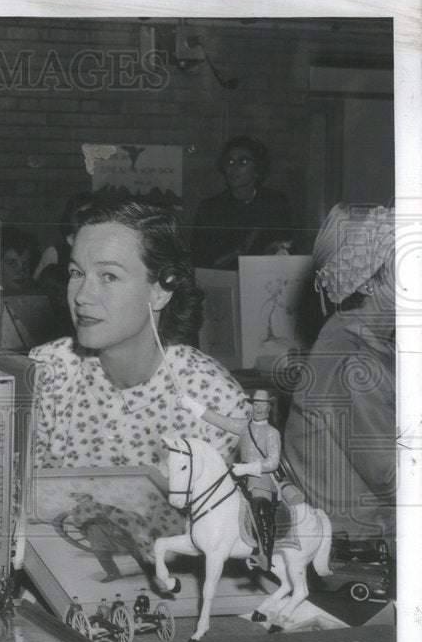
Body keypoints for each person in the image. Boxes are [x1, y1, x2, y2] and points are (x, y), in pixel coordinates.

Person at [30, 197, 248, 576]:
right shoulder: (47, 373)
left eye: (109, 276)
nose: (82, 296)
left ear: (161, 290)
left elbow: (223, 545)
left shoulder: (218, 403)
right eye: (76, 273)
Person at [283, 203, 396, 546]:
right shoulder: (353, 362)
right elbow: (393, 478)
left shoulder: (350, 339)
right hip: (362, 549)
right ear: (365, 284)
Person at [179, 389, 281, 570]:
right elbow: (219, 420)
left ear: (269, 408)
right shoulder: (245, 426)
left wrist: (248, 468)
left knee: (260, 507)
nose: (257, 408)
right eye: (255, 404)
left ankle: (264, 556)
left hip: (261, 482)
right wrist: (191, 404)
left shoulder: (272, 432)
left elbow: (273, 462)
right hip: (240, 478)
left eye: (262, 404)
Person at [190, 135, 295, 270]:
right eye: (230, 162)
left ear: (257, 169)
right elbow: (200, 262)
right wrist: (239, 251)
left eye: (243, 162)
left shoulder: (275, 203)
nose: (234, 168)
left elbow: (285, 248)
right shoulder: (209, 208)